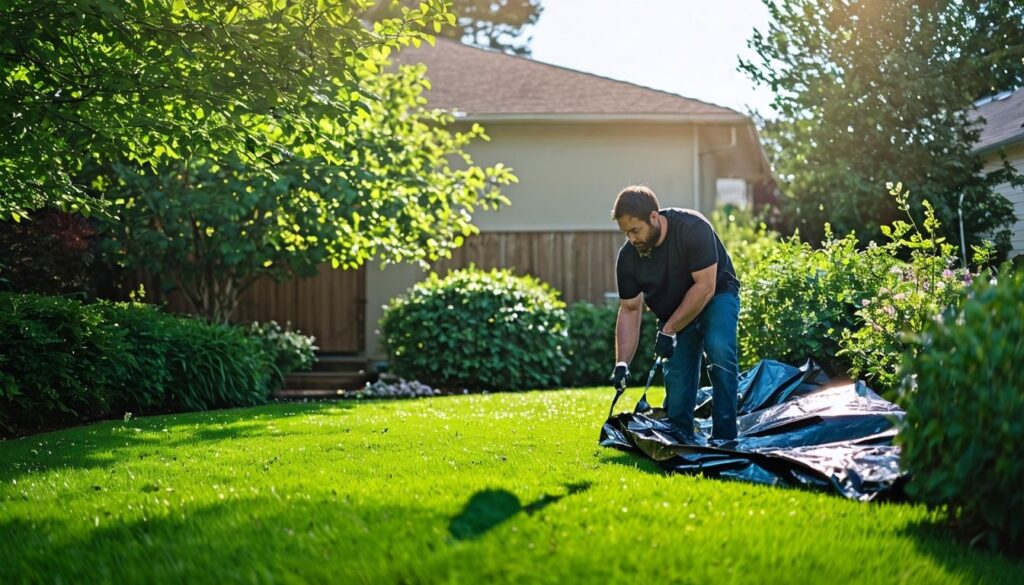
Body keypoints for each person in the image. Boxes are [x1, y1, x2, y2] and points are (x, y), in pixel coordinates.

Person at [608, 185, 741, 442]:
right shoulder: (628, 257)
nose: (632, 239)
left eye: (635, 230)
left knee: (719, 348)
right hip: (674, 311)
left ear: (654, 218)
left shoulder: (692, 228)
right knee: (678, 374)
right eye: (626, 233)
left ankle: (725, 438)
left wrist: (668, 330)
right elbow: (630, 309)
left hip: (717, 295)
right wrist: (622, 363)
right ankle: (680, 436)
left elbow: (705, 287)